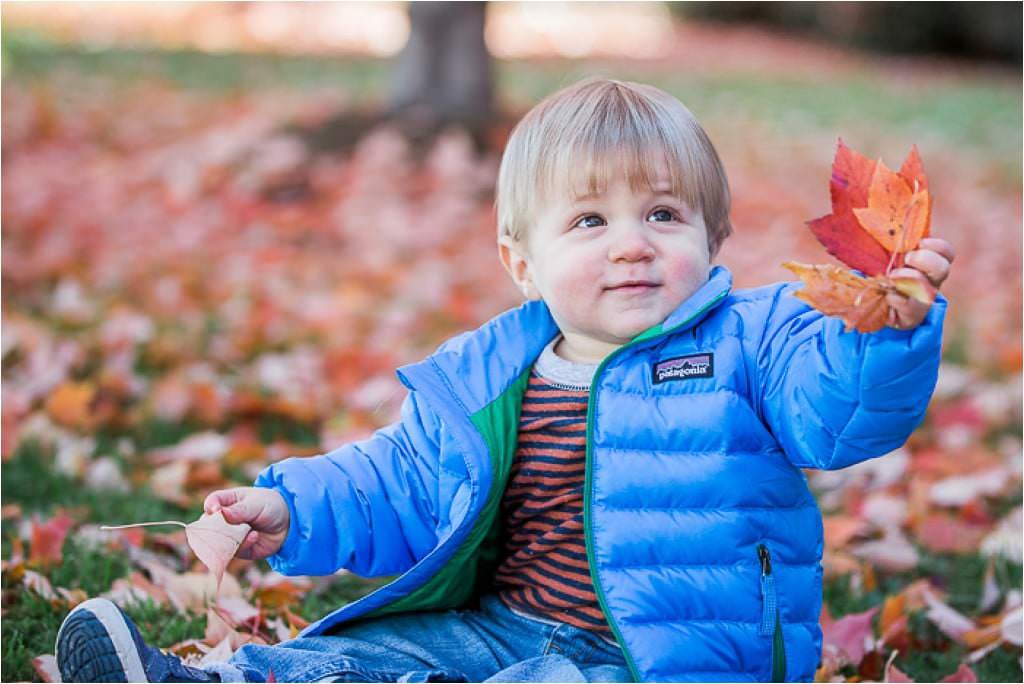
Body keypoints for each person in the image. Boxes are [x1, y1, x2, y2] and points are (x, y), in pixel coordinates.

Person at [55, 77, 954, 683]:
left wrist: (882, 331)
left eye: (665, 214)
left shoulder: (758, 338)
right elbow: (400, 481)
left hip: (659, 658)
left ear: (714, 242)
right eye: (591, 218)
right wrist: (291, 510)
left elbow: (839, 416)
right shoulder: (492, 373)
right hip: (501, 625)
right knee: (374, 654)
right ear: (521, 262)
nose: (631, 241)